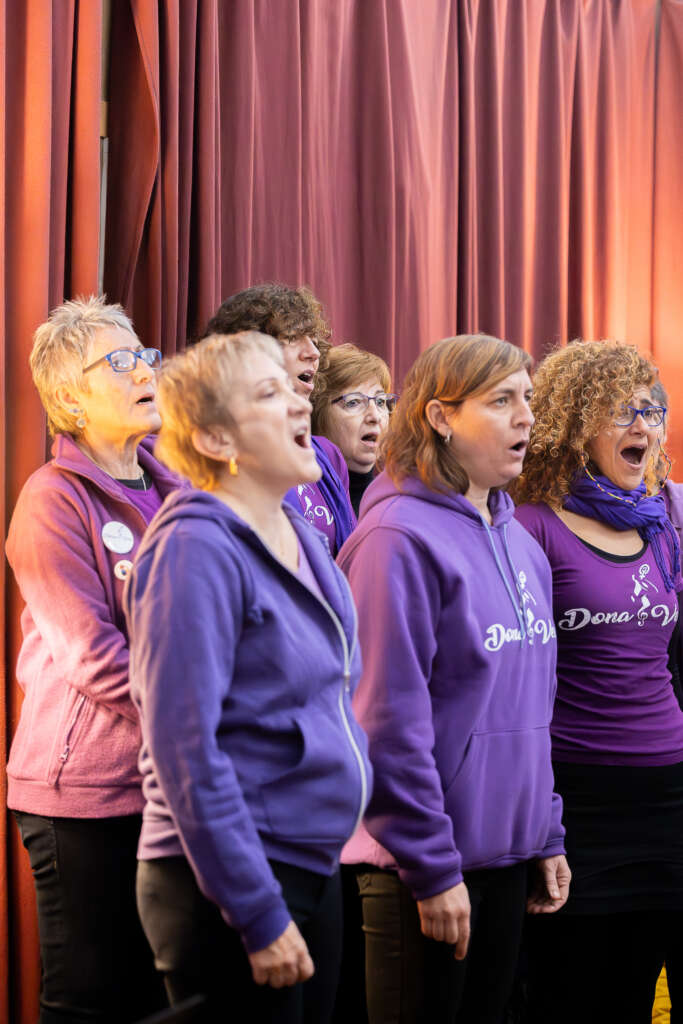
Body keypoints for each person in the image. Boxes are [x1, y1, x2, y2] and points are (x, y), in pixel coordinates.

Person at [125, 331, 372, 1024]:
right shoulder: (192, 549)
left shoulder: (297, 532)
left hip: (308, 861)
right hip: (228, 883)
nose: (300, 403)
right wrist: (257, 911)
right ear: (213, 440)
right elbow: (185, 753)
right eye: (269, 393)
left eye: (293, 388)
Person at [338, 334, 569, 1024]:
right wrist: (432, 867)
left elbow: (534, 708)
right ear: (440, 417)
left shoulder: (521, 542)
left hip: (507, 855)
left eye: (527, 399)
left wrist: (545, 832)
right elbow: (384, 725)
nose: (525, 417)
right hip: (418, 869)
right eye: (501, 401)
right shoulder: (394, 541)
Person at [6, 296, 176, 1022]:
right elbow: (91, 655)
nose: (146, 370)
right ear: (70, 396)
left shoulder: (181, 491)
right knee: (90, 1000)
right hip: (84, 793)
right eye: (121, 360)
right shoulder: (51, 500)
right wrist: (201, 717)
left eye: (146, 355)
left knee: (159, 995)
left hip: (170, 786)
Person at [511, 340, 683, 1024]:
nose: (642, 427)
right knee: (577, 995)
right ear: (574, 424)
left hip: (669, 794)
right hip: (575, 799)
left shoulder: (670, 519)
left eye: (652, 410)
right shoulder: (532, 525)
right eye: (620, 412)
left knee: (646, 988)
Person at [201, 283, 356, 554]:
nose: (314, 353)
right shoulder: (218, 456)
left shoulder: (327, 456)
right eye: (294, 338)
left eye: (315, 342)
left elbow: (348, 561)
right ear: (250, 351)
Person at [312, 343, 396, 516]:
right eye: (354, 402)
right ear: (317, 414)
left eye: (380, 402)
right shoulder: (303, 501)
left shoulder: (395, 502)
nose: (375, 416)